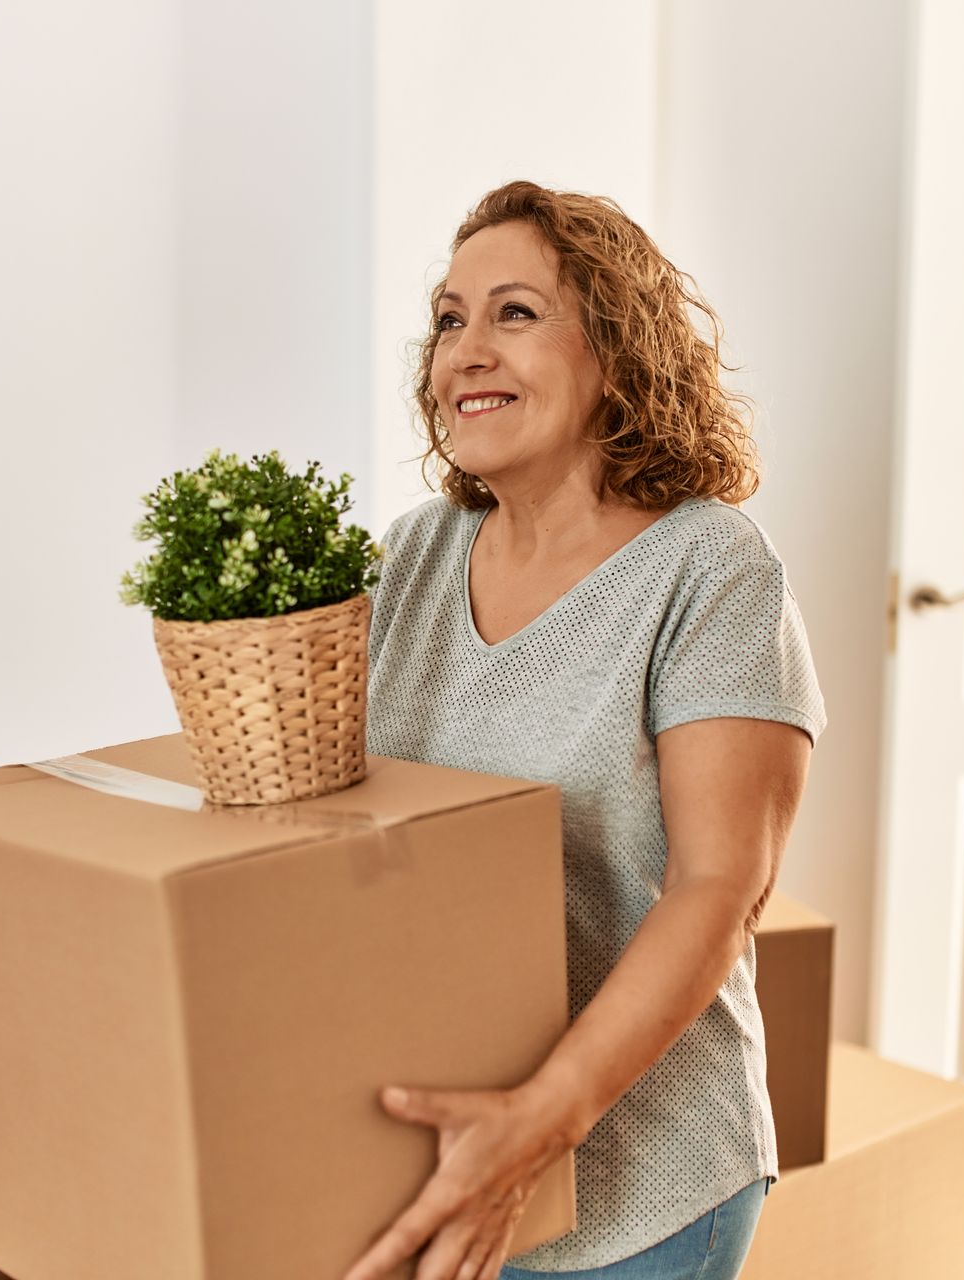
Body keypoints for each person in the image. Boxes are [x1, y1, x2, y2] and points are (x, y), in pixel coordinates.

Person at [341, 180, 827, 1280]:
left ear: (617, 348)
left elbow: (720, 887)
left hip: (636, 1182)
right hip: (437, 1146)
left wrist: (539, 1121)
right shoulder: (414, 552)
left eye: (514, 313)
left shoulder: (709, 567)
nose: (466, 349)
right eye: (450, 318)